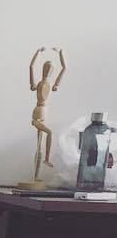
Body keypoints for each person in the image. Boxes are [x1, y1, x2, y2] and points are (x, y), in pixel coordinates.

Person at [28, 46, 67, 178]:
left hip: (41, 113)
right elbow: (64, 68)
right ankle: (46, 158)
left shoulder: (44, 84)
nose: (49, 71)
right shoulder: (45, 85)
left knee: (39, 144)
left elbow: (31, 66)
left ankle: (36, 174)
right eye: (48, 68)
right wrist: (59, 53)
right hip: (38, 114)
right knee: (48, 133)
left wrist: (60, 53)